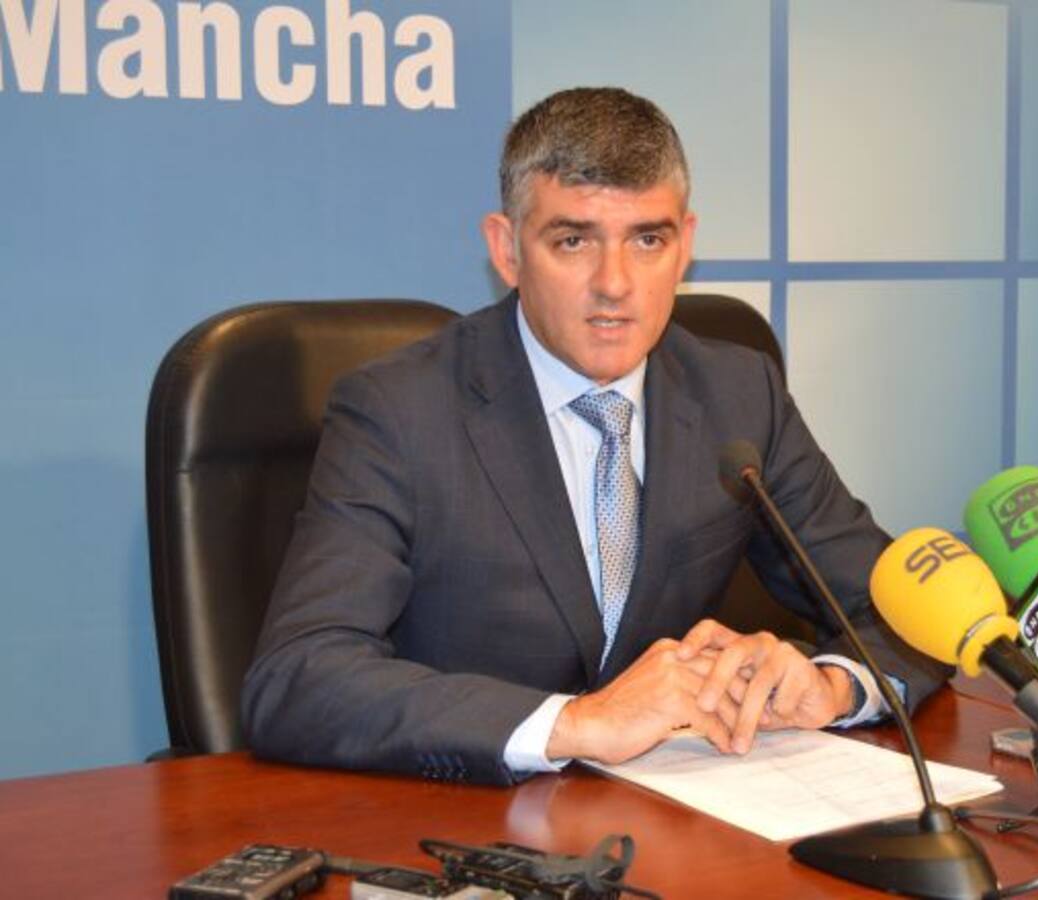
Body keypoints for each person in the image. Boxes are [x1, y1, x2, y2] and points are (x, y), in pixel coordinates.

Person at [241, 87, 950, 785]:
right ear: (507, 249)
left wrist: (832, 686)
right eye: (574, 240)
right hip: (467, 822)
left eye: (648, 240)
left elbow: (916, 613)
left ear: (686, 246)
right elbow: (299, 676)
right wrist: (576, 723)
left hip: (683, 819)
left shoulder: (739, 394)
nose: (615, 284)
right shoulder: (399, 411)